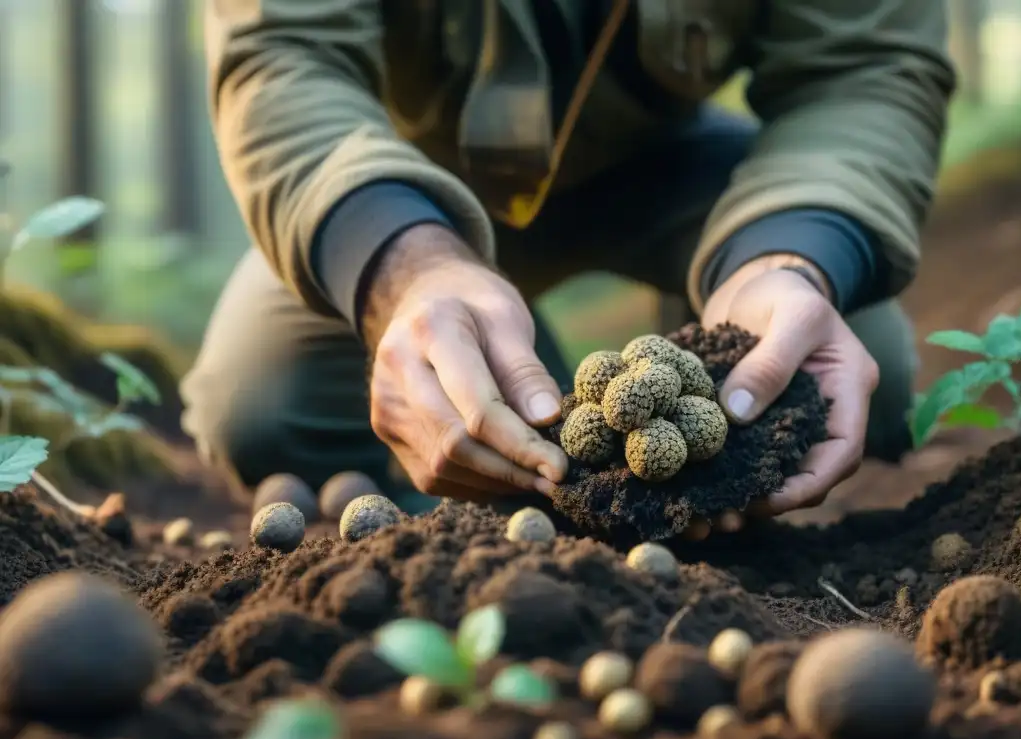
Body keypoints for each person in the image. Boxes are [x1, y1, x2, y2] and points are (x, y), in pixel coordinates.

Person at [186, 0, 955, 529]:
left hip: (673, 163)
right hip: (418, 186)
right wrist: (402, 267)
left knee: (850, 378)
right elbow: (281, 54)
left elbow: (868, 64)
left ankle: (720, 310)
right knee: (264, 409)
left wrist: (787, 259)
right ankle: (502, 399)